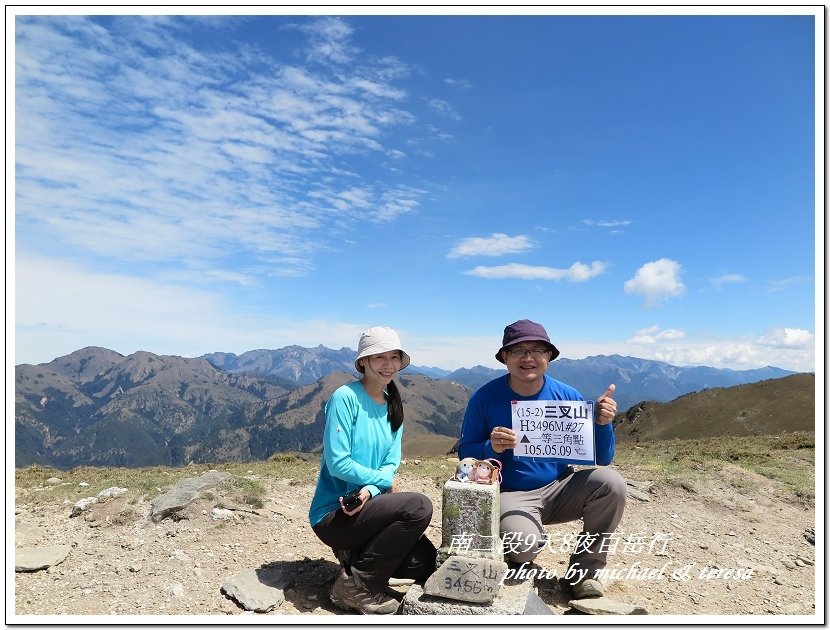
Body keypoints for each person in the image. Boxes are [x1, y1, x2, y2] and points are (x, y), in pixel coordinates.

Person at [458, 319, 626, 599]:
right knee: (524, 546)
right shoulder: (485, 398)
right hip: (511, 492)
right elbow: (466, 455)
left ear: (549, 356)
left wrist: (602, 423)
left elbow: (603, 458)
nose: (528, 357)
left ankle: (584, 574)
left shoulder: (568, 396)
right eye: (518, 351)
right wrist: (491, 447)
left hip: (560, 487)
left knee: (612, 485)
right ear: (504, 358)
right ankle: (517, 550)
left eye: (537, 349)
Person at [309, 326, 437, 614]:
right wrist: (384, 481)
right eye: (379, 357)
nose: (388, 365)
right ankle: (357, 585)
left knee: (425, 563)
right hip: (333, 515)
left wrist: (370, 488)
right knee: (418, 506)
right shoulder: (345, 397)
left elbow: (390, 462)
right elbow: (338, 463)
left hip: (368, 507)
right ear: (363, 362)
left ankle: (354, 557)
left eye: (394, 357)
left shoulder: (393, 403)